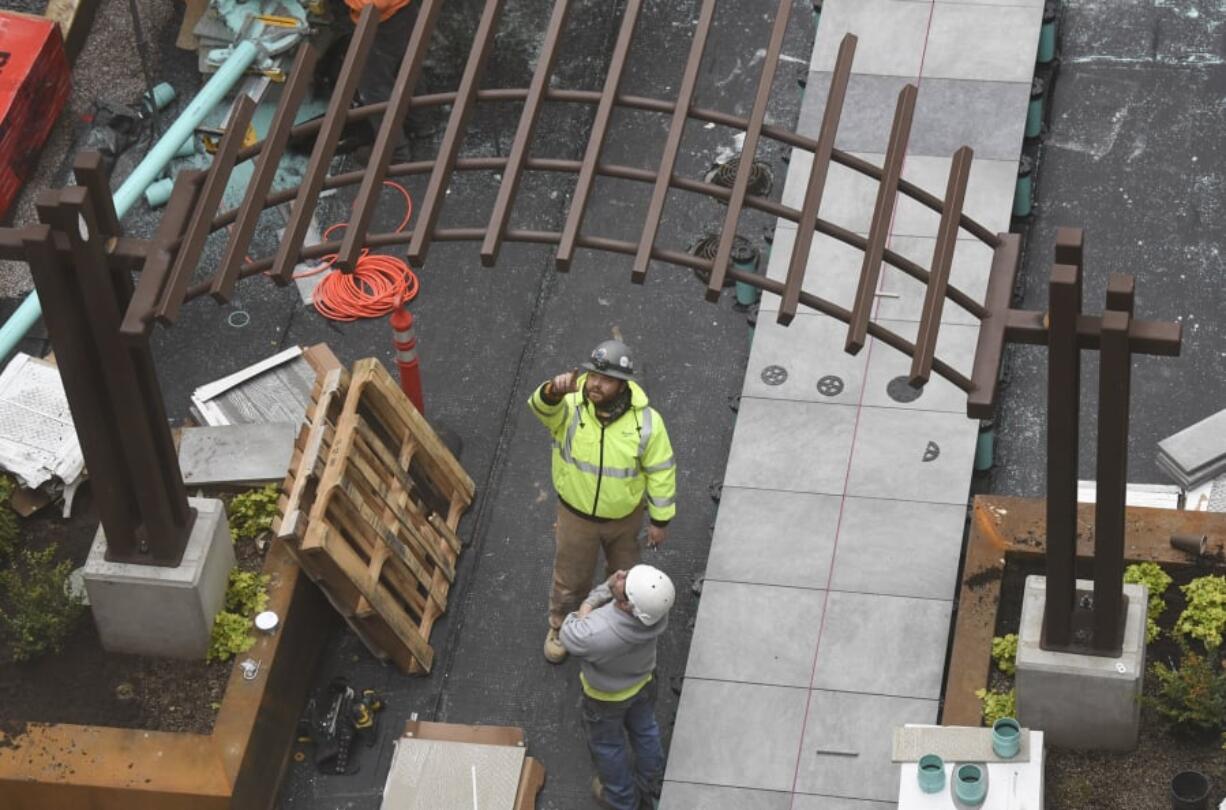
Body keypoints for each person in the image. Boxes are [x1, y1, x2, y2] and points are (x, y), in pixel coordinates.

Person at [528, 339, 677, 664]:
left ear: (623, 384)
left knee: (625, 576)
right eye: (593, 374)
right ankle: (560, 627)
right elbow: (540, 408)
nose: (595, 383)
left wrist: (660, 520)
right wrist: (552, 391)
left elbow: (661, 471)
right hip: (575, 516)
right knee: (570, 578)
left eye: (605, 378)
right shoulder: (570, 407)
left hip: (625, 519)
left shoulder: (648, 422)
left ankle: (622, 626)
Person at [560, 565, 675, 810]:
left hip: (605, 700)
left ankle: (622, 800)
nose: (620, 575)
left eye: (625, 581)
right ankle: (651, 783)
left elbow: (570, 633)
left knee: (608, 747)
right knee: (645, 730)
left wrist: (596, 597)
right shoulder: (656, 612)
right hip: (644, 682)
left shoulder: (599, 632)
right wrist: (616, 590)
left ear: (626, 605)